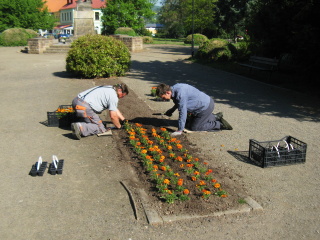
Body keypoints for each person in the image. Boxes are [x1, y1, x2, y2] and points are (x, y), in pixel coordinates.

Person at [156, 83, 232, 136]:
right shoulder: (175, 88)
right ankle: (214, 117)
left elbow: (182, 111)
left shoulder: (180, 94)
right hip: (203, 105)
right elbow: (178, 103)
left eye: (163, 97)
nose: (163, 99)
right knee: (189, 124)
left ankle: (219, 124)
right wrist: (171, 111)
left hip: (204, 107)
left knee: (195, 127)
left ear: (167, 92)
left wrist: (180, 130)